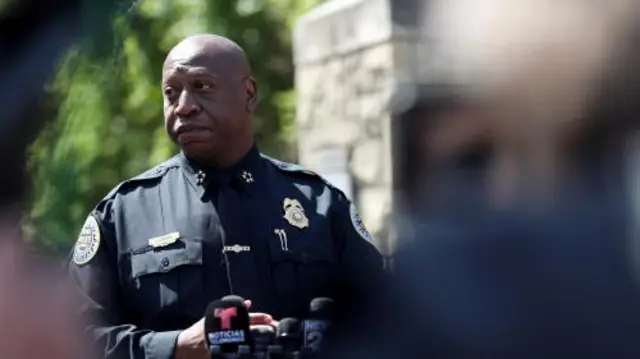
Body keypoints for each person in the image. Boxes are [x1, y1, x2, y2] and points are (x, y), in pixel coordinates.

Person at [67, 34, 384, 359]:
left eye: (202, 86)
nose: (184, 105)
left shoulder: (319, 204)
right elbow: (73, 338)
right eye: (170, 93)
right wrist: (175, 347)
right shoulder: (123, 213)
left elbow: (389, 319)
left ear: (248, 94)